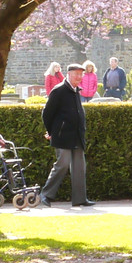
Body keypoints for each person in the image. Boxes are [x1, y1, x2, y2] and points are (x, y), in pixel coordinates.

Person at [39, 64, 95, 207]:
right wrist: (51, 131)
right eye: (76, 74)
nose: (79, 77)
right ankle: (45, 195)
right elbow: (46, 113)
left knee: (79, 167)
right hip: (62, 135)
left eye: (81, 74)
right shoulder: (59, 91)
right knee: (62, 165)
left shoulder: (77, 90)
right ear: (69, 74)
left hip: (77, 135)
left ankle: (80, 199)